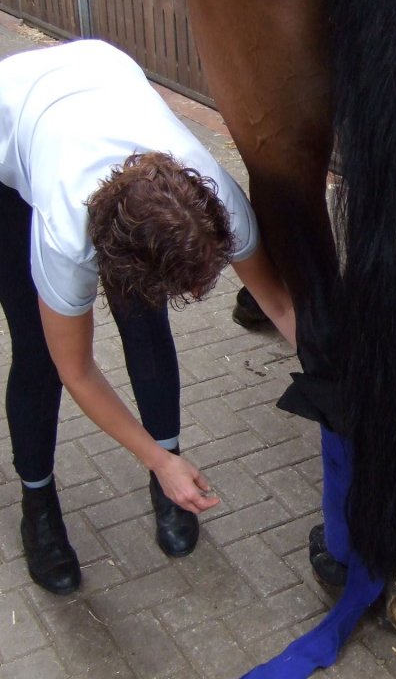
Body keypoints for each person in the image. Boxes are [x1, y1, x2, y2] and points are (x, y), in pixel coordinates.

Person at [0, 39, 296, 595]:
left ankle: (168, 468)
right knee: (38, 352)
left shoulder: (212, 194)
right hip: (10, 125)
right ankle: (38, 504)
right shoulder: (65, 235)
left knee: (146, 323)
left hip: (98, 73)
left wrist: (338, 379)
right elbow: (77, 370)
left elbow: (279, 304)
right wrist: (152, 457)